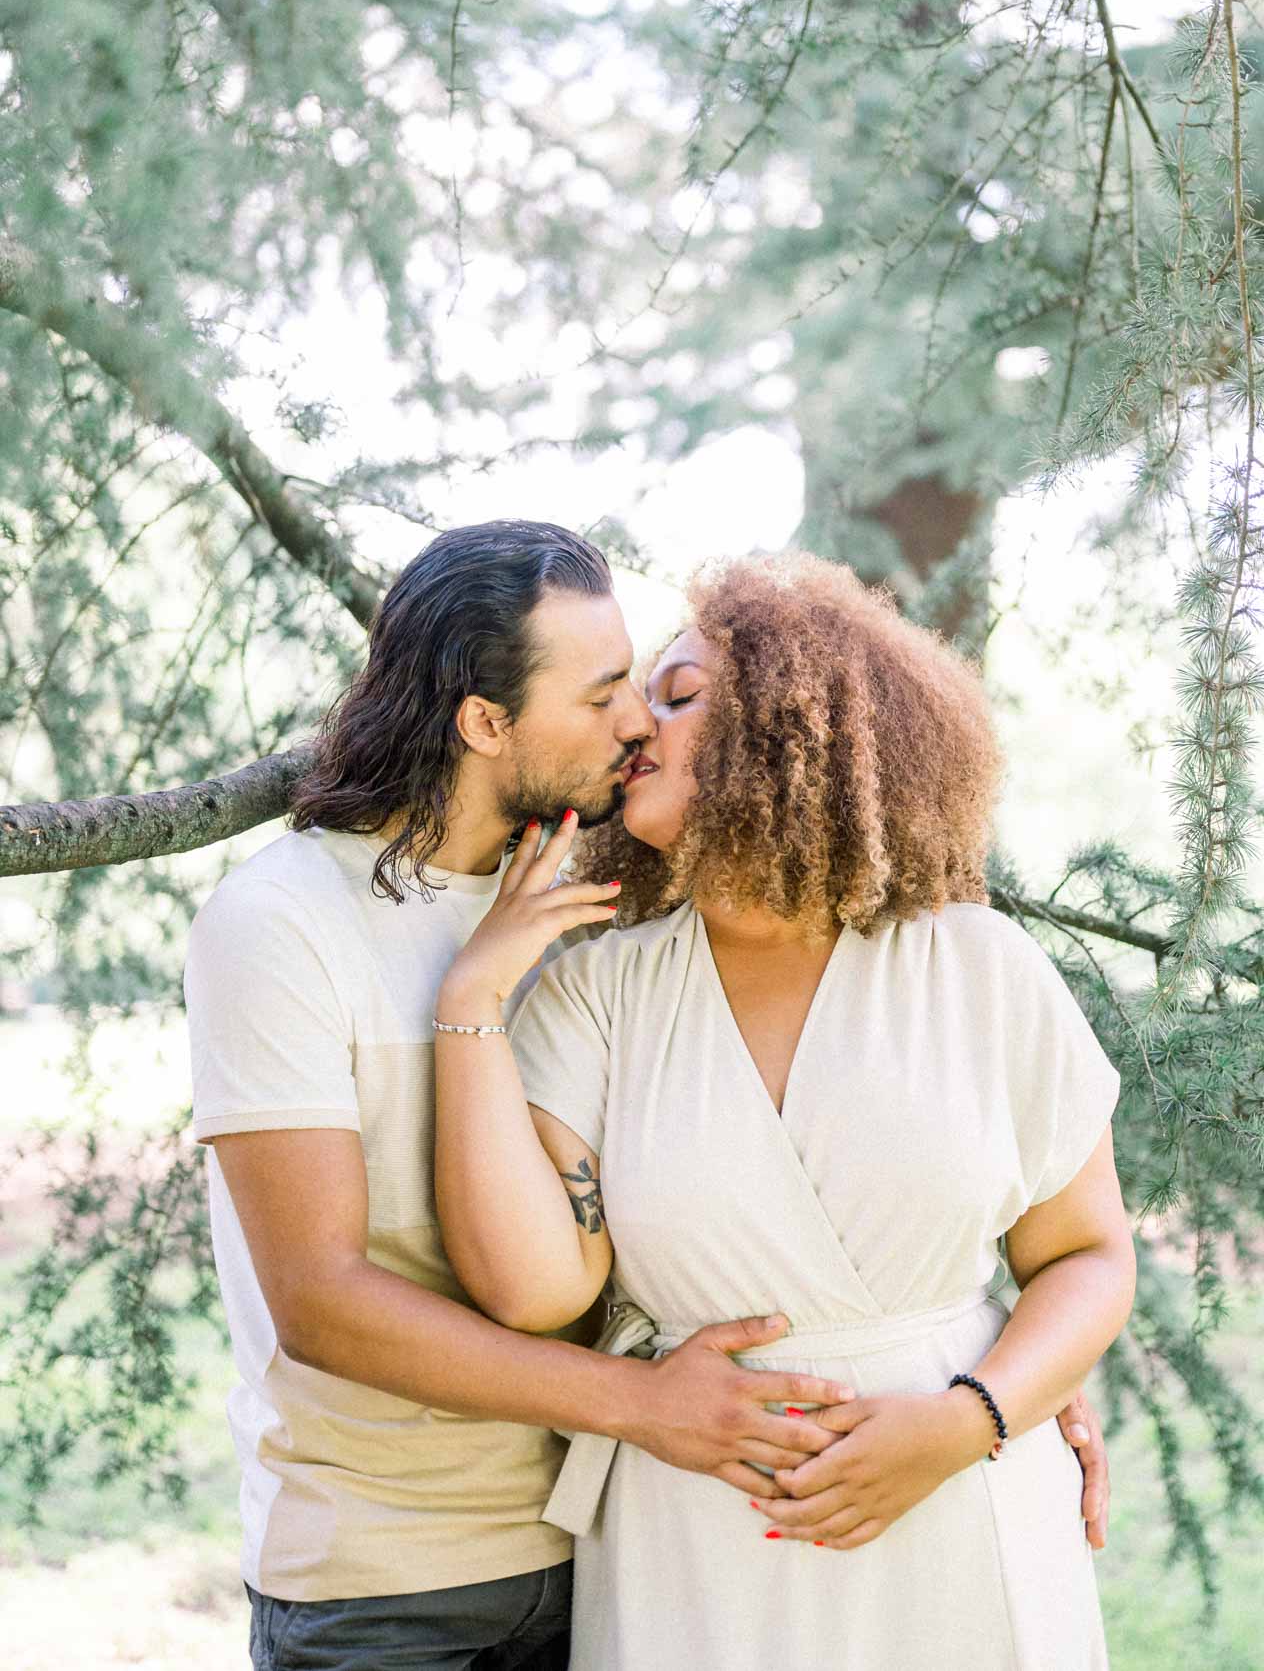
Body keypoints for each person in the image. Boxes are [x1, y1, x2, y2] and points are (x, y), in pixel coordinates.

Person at [432, 550, 1135, 1671]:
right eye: (621, 699)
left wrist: (969, 1421)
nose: (633, 728)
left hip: (959, 1502)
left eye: (677, 694)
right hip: (698, 1536)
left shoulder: (978, 967)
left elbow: (1089, 1256)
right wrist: (468, 998)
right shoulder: (591, 991)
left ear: (789, 726)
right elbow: (530, 1287)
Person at [185, 522, 863, 1671]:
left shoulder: (606, 899)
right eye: (601, 696)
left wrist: (1002, 1390)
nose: (638, 722)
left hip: (618, 1543)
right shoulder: (280, 924)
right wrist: (640, 1403)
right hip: (385, 1590)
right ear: (487, 723)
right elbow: (322, 1301)